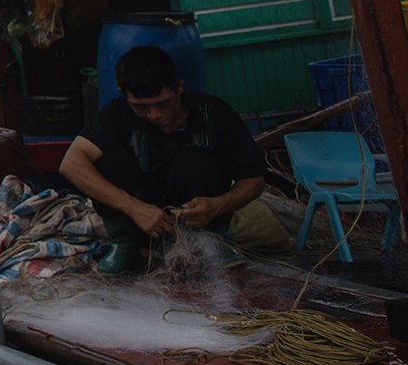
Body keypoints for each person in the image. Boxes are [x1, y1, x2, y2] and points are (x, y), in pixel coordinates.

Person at [58, 45, 265, 273]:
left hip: (199, 220)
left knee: (196, 160)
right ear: (123, 92)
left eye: (163, 103)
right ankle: (127, 244)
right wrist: (134, 207)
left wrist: (218, 206)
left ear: (179, 88)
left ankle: (210, 243)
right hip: (140, 220)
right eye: (141, 107)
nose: (155, 115)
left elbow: (254, 181)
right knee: (103, 160)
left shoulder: (214, 114)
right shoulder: (117, 114)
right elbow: (71, 164)